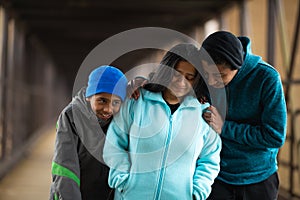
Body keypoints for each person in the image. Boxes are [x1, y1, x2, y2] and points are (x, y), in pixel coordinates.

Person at [103, 44, 222, 200]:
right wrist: (123, 181)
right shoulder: (137, 102)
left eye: (189, 77)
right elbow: (114, 144)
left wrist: (197, 192)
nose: (181, 81)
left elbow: (210, 158)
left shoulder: (202, 114)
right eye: (176, 74)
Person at [200, 31, 287, 200]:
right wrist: (143, 85)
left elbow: (274, 136)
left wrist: (225, 127)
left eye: (220, 76)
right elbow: (174, 84)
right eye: (206, 74)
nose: (211, 81)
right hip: (216, 175)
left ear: (238, 67)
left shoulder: (267, 78)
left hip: (258, 178)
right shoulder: (205, 75)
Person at [49, 65, 128, 200]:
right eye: (102, 100)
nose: (108, 109)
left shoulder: (122, 118)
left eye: (116, 102)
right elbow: (65, 168)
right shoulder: (71, 116)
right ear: (88, 96)